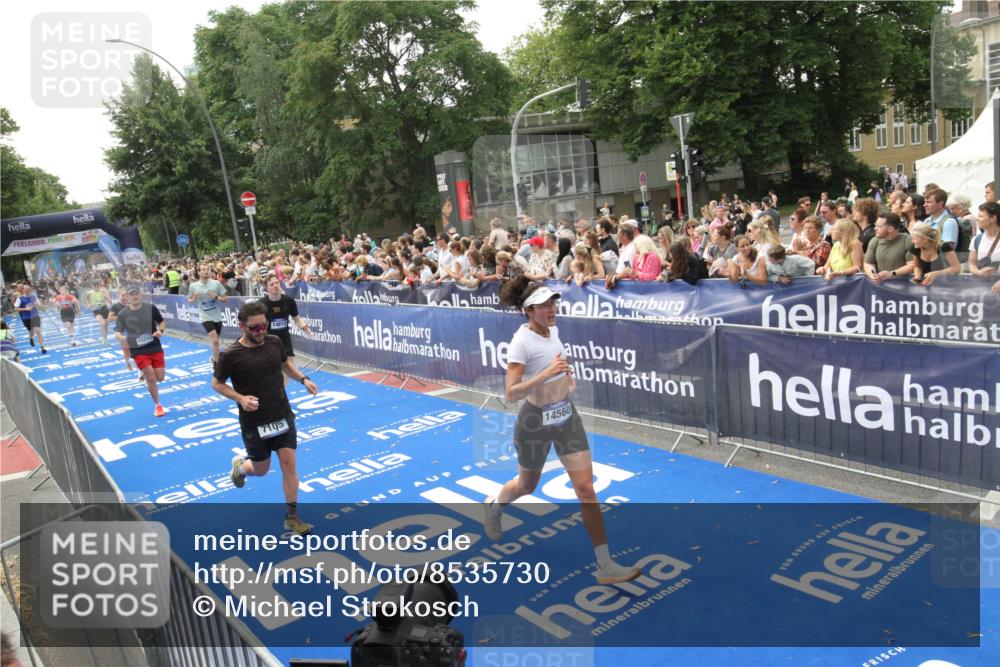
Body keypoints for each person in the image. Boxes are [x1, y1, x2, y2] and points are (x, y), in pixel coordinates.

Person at [484, 277, 641, 585]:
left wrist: (565, 378)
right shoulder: (521, 342)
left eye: (553, 303)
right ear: (530, 310)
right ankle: (496, 505)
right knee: (527, 485)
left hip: (566, 416)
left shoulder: (553, 330)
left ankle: (605, 566)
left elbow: (556, 363)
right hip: (535, 421)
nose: (552, 309)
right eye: (545, 305)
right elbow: (512, 393)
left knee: (586, 489)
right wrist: (547, 374)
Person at [215, 301, 319, 536]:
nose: (261, 331)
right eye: (254, 328)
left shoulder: (274, 342)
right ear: (242, 326)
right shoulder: (231, 354)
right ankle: (241, 468)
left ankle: (292, 517)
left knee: (289, 464)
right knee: (261, 470)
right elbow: (217, 384)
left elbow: (285, 365)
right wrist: (240, 398)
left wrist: (304, 380)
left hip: (281, 414)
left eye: (264, 326)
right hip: (254, 423)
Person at [115, 285, 168, 417]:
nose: (134, 296)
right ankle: (157, 406)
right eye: (131, 294)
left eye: (136, 294)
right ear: (127, 297)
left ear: (140, 295)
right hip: (137, 349)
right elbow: (117, 331)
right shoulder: (123, 314)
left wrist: (160, 331)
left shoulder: (150, 308)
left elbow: (162, 322)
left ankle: (145, 373)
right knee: (150, 377)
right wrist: (122, 338)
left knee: (160, 377)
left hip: (154, 346)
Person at [259, 275, 314, 386]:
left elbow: (297, 318)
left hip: (284, 339)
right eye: (272, 284)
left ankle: (281, 392)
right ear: (267, 288)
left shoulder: (289, 301)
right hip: (268, 340)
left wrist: (305, 328)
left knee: (289, 368)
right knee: (273, 370)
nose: (275, 286)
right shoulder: (261, 304)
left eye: (277, 283)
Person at [187, 263, 229, 362]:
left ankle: (214, 358)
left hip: (217, 316)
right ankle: (217, 363)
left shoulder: (216, 283)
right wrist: (194, 297)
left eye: (208, 269)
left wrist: (215, 297)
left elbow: (225, 299)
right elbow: (190, 300)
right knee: (214, 340)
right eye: (203, 269)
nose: (206, 271)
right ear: (199, 272)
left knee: (216, 341)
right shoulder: (194, 286)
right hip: (204, 316)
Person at [864, 213, 915, 283]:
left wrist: (892, 273)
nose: (875, 228)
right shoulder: (874, 241)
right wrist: (872, 275)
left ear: (890, 229)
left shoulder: (907, 240)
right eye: (875, 225)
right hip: (881, 286)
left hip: (903, 287)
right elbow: (868, 263)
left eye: (879, 226)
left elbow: (912, 265)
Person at [967, 202, 1000, 281]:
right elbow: (972, 264)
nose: (977, 219)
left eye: (981, 216)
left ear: (993, 218)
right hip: (985, 287)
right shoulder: (976, 240)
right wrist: (978, 272)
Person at [15, 284, 45, 354]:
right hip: (26, 318)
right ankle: (31, 338)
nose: (28, 290)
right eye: (26, 289)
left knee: (38, 331)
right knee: (32, 331)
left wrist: (37, 304)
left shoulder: (34, 297)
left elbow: (40, 305)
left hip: (35, 316)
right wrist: (26, 309)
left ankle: (42, 347)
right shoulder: (20, 298)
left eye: (29, 289)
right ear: (23, 290)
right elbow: (16, 308)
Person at [86, 281, 111, 345]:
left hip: (104, 308)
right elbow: (86, 299)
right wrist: (89, 304)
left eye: (97, 285)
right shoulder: (89, 293)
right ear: (92, 286)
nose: (96, 286)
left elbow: (108, 299)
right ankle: (104, 340)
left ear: (99, 286)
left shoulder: (103, 291)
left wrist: (108, 299)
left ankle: (105, 338)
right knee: (102, 322)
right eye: (95, 285)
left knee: (106, 325)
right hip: (96, 309)